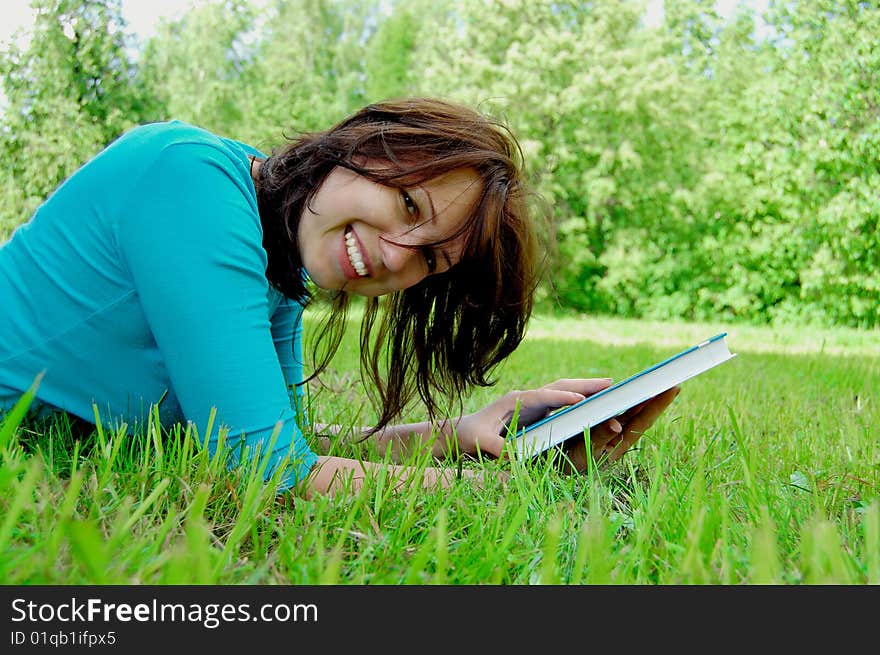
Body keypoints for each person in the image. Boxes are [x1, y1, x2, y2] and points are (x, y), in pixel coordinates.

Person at [0, 98, 679, 498]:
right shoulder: (192, 181)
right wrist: (513, 489)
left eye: (430, 258)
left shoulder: (278, 270)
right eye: (406, 201)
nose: (393, 254)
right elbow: (272, 472)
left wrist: (463, 434)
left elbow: (275, 439)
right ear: (360, 145)